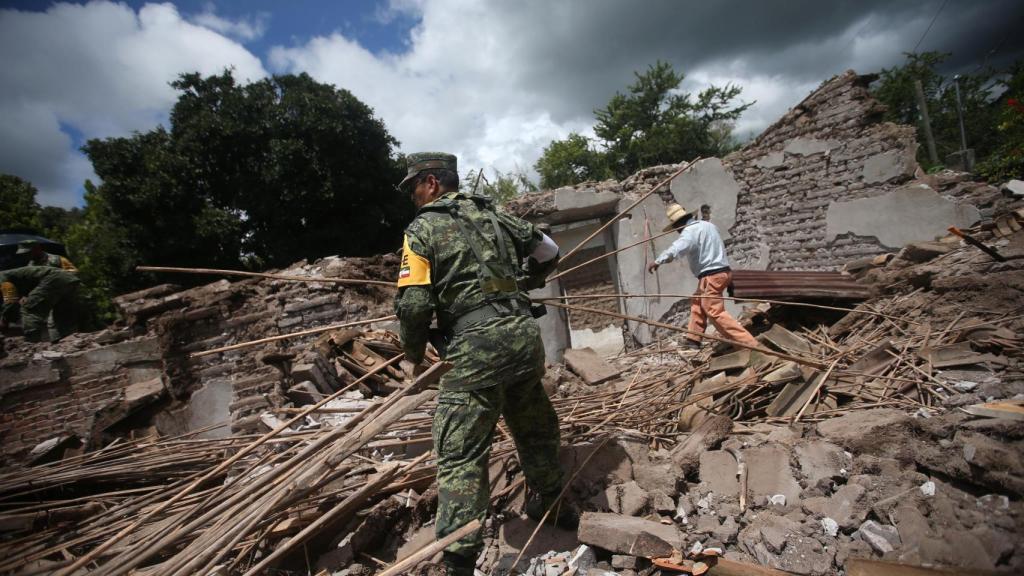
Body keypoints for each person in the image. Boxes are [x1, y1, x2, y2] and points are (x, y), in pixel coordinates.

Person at [394, 152, 570, 576]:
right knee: (533, 424)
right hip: (523, 340)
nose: (412, 196)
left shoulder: (421, 229)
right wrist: (525, 282)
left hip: (474, 352)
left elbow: (415, 303)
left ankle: (459, 557)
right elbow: (549, 250)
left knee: (460, 453)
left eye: (414, 186)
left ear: (432, 183)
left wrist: (414, 355)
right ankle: (554, 505)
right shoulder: (497, 216)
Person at [647, 203, 758, 349]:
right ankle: (694, 339)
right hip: (723, 272)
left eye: (675, 229)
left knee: (714, 311)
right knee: (698, 301)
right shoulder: (709, 226)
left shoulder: (689, 231)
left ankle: (751, 344)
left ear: (678, 225)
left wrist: (658, 260)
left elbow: (678, 247)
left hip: (710, 275)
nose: (677, 232)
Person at [0, 265, 80, 342]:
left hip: (53, 278)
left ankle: (31, 343)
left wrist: (5, 320)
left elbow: (10, 300)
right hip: (68, 278)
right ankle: (67, 341)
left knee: (29, 309)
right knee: (61, 313)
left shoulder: (1, 277)